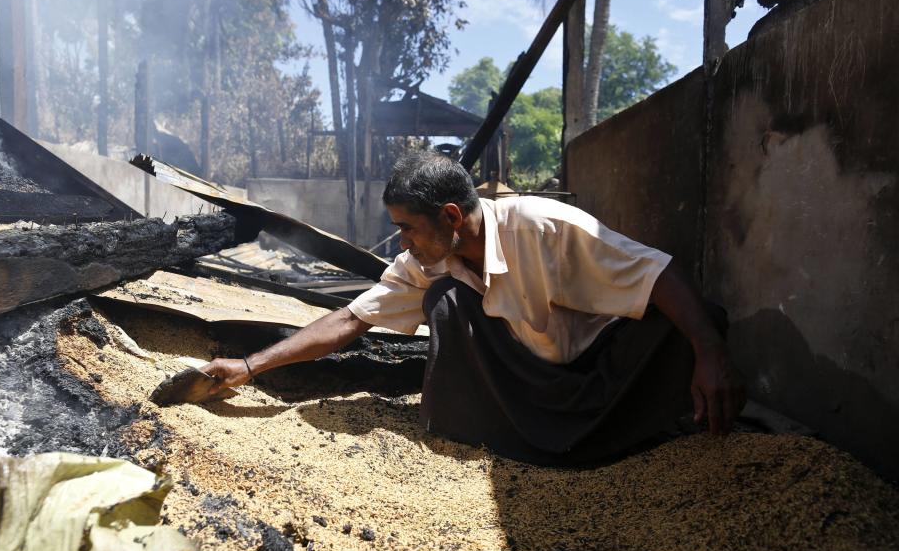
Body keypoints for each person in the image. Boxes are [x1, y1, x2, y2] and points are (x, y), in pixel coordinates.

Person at [202, 151, 745, 465]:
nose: (402, 242)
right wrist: (249, 368)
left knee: (697, 325)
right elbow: (350, 319)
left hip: (601, 368)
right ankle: (510, 434)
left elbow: (657, 273)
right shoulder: (429, 262)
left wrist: (710, 352)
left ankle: (615, 433)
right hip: (530, 382)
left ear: (452, 216)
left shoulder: (545, 228)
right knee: (445, 301)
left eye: (407, 228)